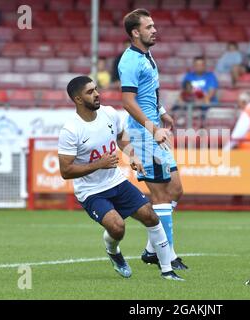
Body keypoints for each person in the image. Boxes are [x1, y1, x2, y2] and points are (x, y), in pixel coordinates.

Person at [58, 76, 183, 281]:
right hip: (91, 191)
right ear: (78, 99)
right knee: (117, 227)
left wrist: (132, 156)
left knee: (150, 215)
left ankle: (167, 270)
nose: (97, 94)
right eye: (90, 92)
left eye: (96, 89)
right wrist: (99, 164)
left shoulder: (109, 114)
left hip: (116, 181)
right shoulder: (71, 130)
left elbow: (121, 137)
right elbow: (66, 171)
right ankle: (113, 252)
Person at [118, 9, 188, 270]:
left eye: (154, 25)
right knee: (160, 196)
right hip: (143, 135)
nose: (154, 30)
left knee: (176, 189)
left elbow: (148, 93)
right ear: (135, 32)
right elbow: (127, 101)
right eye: (149, 27)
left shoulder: (147, 56)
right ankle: (166, 256)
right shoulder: (129, 61)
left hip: (153, 130)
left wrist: (162, 113)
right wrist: (152, 128)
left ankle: (151, 250)